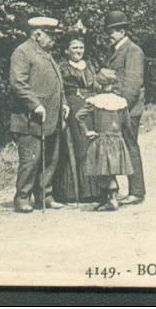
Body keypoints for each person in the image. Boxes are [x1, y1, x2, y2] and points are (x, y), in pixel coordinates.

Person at [9, 16, 69, 213]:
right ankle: (22, 198)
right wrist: (34, 105)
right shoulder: (22, 52)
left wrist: (65, 104)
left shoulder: (45, 53)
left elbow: (57, 83)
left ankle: (45, 195)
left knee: (50, 157)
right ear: (37, 34)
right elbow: (18, 83)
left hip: (51, 116)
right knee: (31, 159)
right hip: (30, 118)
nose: (53, 39)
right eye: (49, 35)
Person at [53, 36, 103, 204]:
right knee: (78, 144)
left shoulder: (90, 65)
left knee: (92, 143)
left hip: (91, 106)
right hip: (74, 107)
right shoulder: (62, 67)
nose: (78, 51)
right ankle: (75, 191)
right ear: (67, 50)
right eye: (74, 48)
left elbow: (97, 84)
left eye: (81, 47)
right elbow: (59, 90)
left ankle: (95, 190)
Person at [76, 69, 135, 211]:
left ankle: (111, 199)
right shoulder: (121, 102)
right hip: (116, 139)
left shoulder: (95, 101)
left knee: (102, 170)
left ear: (100, 84)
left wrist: (87, 131)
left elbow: (79, 116)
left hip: (101, 139)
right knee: (111, 170)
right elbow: (127, 123)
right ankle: (107, 199)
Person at [104, 10, 146, 206]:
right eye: (109, 31)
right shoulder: (117, 50)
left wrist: (120, 107)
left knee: (130, 147)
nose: (109, 35)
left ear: (122, 31)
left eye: (112, 31)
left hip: (128, 109)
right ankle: (126, 191)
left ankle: (137, 191)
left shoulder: (133, 51)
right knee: (124, 147)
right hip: (118, 108)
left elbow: (132, 85)